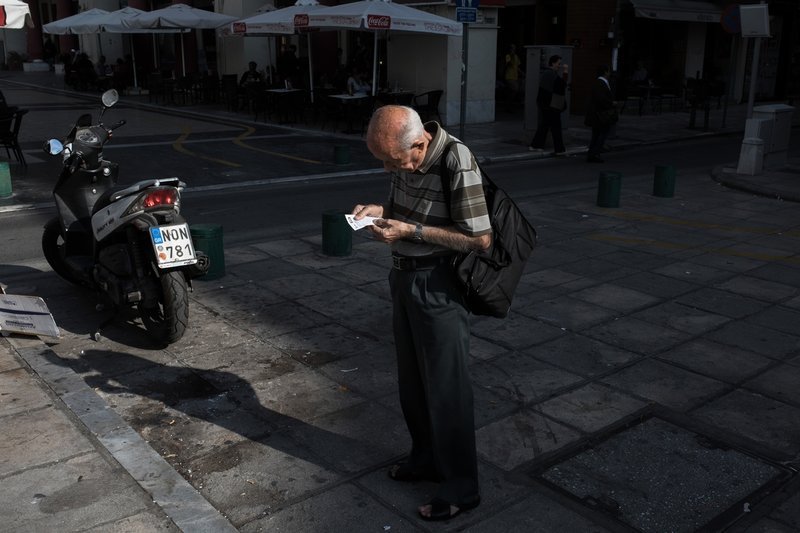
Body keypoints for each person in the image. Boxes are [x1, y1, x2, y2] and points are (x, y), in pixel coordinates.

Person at [351, 105, 491, 522]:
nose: (391, 168)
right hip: (404, 277)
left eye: (394, 162)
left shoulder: (456, 160)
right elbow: (403, 210)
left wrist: (410, 232)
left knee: (448, 389)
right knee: (412, 382)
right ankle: (425, 459)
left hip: (439, 283)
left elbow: (480, 239)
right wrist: (380, 213)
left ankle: (462, 487)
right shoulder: (403, 155)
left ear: (419, 143)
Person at [529, 54, 568, 155]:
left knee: (545, 125)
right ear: (553, 63)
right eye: (559, 63)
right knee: (556, 127)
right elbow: (562, 85)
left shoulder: (549, 73)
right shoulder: (550, 74)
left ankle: (535, 145)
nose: (559, 66)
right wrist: (565, 71)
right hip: (550, 105)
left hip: (546, 103)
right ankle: (559, 149)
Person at [584, 65, 617, 163]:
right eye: (608, 71)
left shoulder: (599, 83)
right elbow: (601, 99)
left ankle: (592, 153)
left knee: (596, 135)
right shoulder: (601, 83)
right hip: (600, 115)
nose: (610, 73)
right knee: (601, 134)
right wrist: (611, 103)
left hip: (597, 114)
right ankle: (594, 153)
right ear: (606, 72)